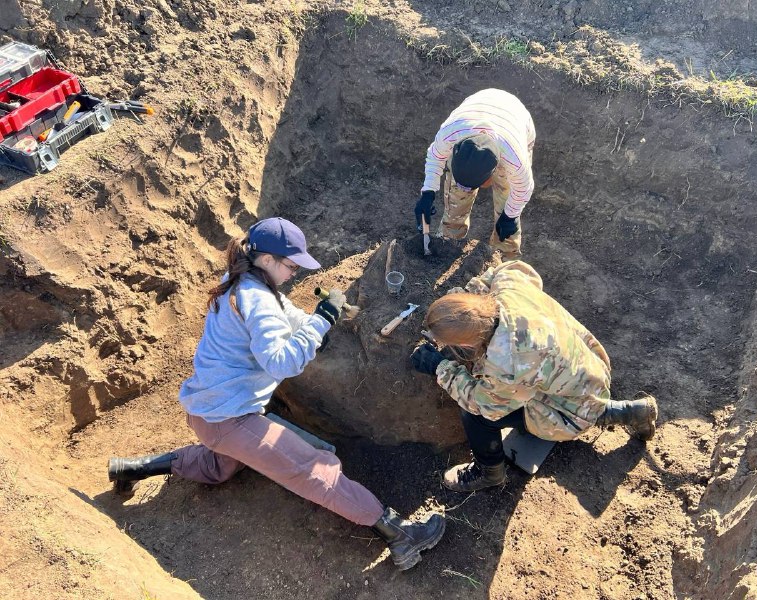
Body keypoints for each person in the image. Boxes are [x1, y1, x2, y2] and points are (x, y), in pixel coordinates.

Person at [108, 217, 444, 571]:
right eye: (291, 265)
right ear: (267, 259)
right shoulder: (256, 300)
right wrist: (321, 321)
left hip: (206, 409)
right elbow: (282, 363)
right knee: (313, 467)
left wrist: (314, 327)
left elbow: (284, 313)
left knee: (219, 466)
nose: (294, 272)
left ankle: (132, 469)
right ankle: (401, 536)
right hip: (229, 418)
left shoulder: (241, 280)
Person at [410, 261, 658, 493]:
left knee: (474, 416)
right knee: (571, 397)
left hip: (568, 411)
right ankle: (632, 411)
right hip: (588, 369)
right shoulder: (508, 288)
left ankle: (489, 473)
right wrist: (470, 298)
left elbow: (484, 405)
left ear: (466, 343)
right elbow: (514, 267)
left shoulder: (508, 363)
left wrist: (440, 367)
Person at [414, 88, 536, 261]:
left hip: (514, 121)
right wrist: (427, 193)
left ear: (489, 176)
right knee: (456, 196)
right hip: (475, 109)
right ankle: (449, 241)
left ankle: (504, 256)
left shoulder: (515, 161)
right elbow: (435, 157)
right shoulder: (450, 133)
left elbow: (523, 190)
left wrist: (510, 216)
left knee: (507, 201)